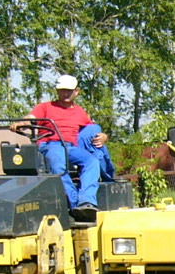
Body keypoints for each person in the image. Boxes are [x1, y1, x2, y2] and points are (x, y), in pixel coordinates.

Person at [23, 74, 115, 220]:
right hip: (50, 145)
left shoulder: (79, 111)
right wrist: (21, 123)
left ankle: (87, 201)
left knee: (92, 162)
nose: (65, 94)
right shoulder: (45, 107)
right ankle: (74, 203)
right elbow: (30, 118)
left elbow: (91, 127)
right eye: (62, 90)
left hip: (71, 147)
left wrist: (104, 136)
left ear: (76, 92)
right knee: (59, 166)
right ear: (57, 91)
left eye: (68, 90)